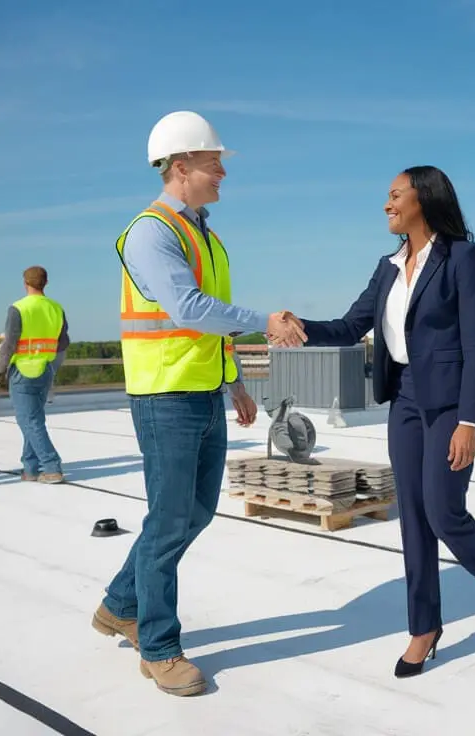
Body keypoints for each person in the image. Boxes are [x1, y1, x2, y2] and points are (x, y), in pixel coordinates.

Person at [271, 165, 475, 678]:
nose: (386, 204)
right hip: (404, 401)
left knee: (443, 511)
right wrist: (301, 327)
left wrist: (470, 421)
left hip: (451, 404)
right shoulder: (387, 266)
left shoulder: (463, 257)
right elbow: (349, 325)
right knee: (412, 517)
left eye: (394, 195)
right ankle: (424, 627)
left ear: (423, 200)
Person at [91, 111, 306, 697]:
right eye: (215, 165)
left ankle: (118, 603)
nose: (222, 175)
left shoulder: (205, 234)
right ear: (181, 168)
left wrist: (233, 380)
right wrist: (265, 322)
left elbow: (210, 324)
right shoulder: (151, 231)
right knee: (167, 524)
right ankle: (158, 646)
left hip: (203, 390)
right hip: (164, 397)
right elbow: (187, 309)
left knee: (196, 513)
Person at [0, 266, 68, 483]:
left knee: (29, 420)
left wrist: (0, 371)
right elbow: (63, 341)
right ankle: (30, 468)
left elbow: (9, 344)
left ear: (25, 283)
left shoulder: (18, 308)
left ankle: (52, 466)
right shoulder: (56, 308)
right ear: (45, 283)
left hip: (23, 372)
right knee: (33, 419)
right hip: (45, 370)